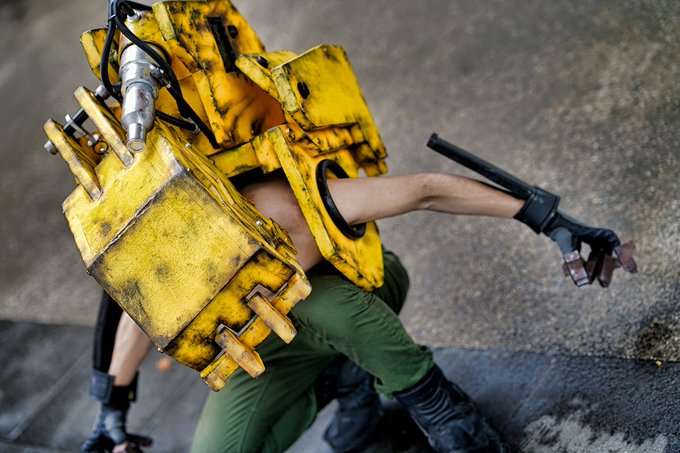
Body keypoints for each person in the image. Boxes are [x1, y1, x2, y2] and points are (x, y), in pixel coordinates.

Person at [81, 168, 630, 453]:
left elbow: (425, 190)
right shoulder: (161, 263)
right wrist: (112, 414)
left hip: (356, 302)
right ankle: (345, 379)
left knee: (315, 301)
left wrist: (543, 218)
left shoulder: (272, 206)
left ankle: (442, 410)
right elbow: (138, 322)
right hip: (275, 352)